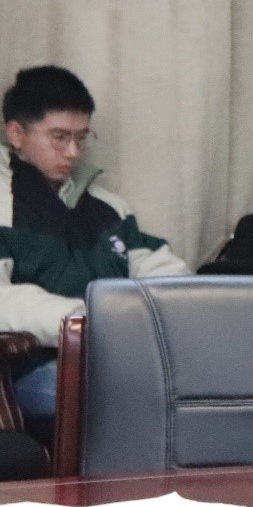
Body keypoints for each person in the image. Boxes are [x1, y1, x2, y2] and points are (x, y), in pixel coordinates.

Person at [0, 66, 189, 434]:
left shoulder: (108, 207)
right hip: (30, 369)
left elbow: (161, 269)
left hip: (118, 357)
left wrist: (182, 304)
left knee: (202, 383)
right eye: (59, 137)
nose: (73, 152)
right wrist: (88, 319)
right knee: (137, 396)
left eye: (82, 138)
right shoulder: (5, 207)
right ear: (17, 134)